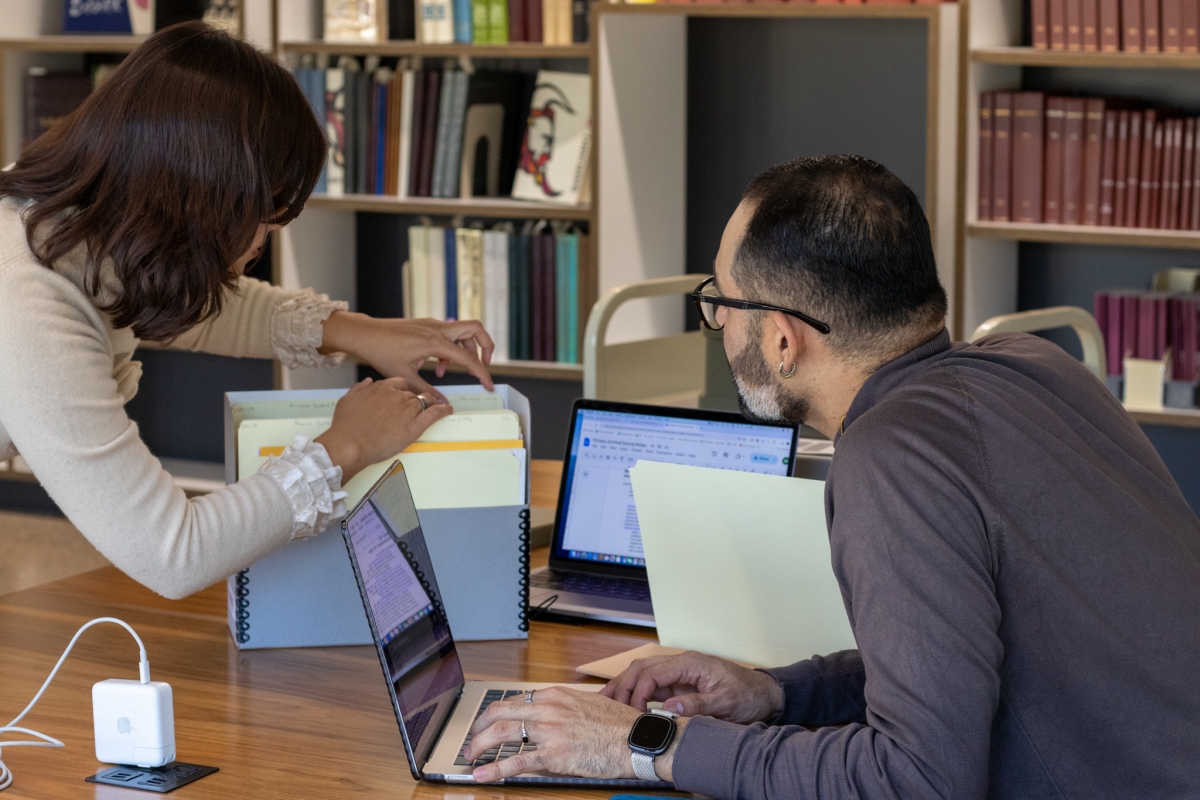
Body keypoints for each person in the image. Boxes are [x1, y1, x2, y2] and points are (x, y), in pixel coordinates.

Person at [464, 155, 1200, 797]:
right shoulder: (1033, 363)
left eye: (720, 302)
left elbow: (915, 780)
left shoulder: (894, 455)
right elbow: (966, 664)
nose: (717, 322)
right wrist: (776, 692)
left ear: (783, 339)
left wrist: (640, 745)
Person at [0, 23, 494, 601]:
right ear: (196, 196)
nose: (268, 235)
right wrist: (347, 446)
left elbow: (167, 293)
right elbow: (172, 551)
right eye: (264, 210)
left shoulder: (66, 218)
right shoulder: (28, 301)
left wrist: (360, 333)